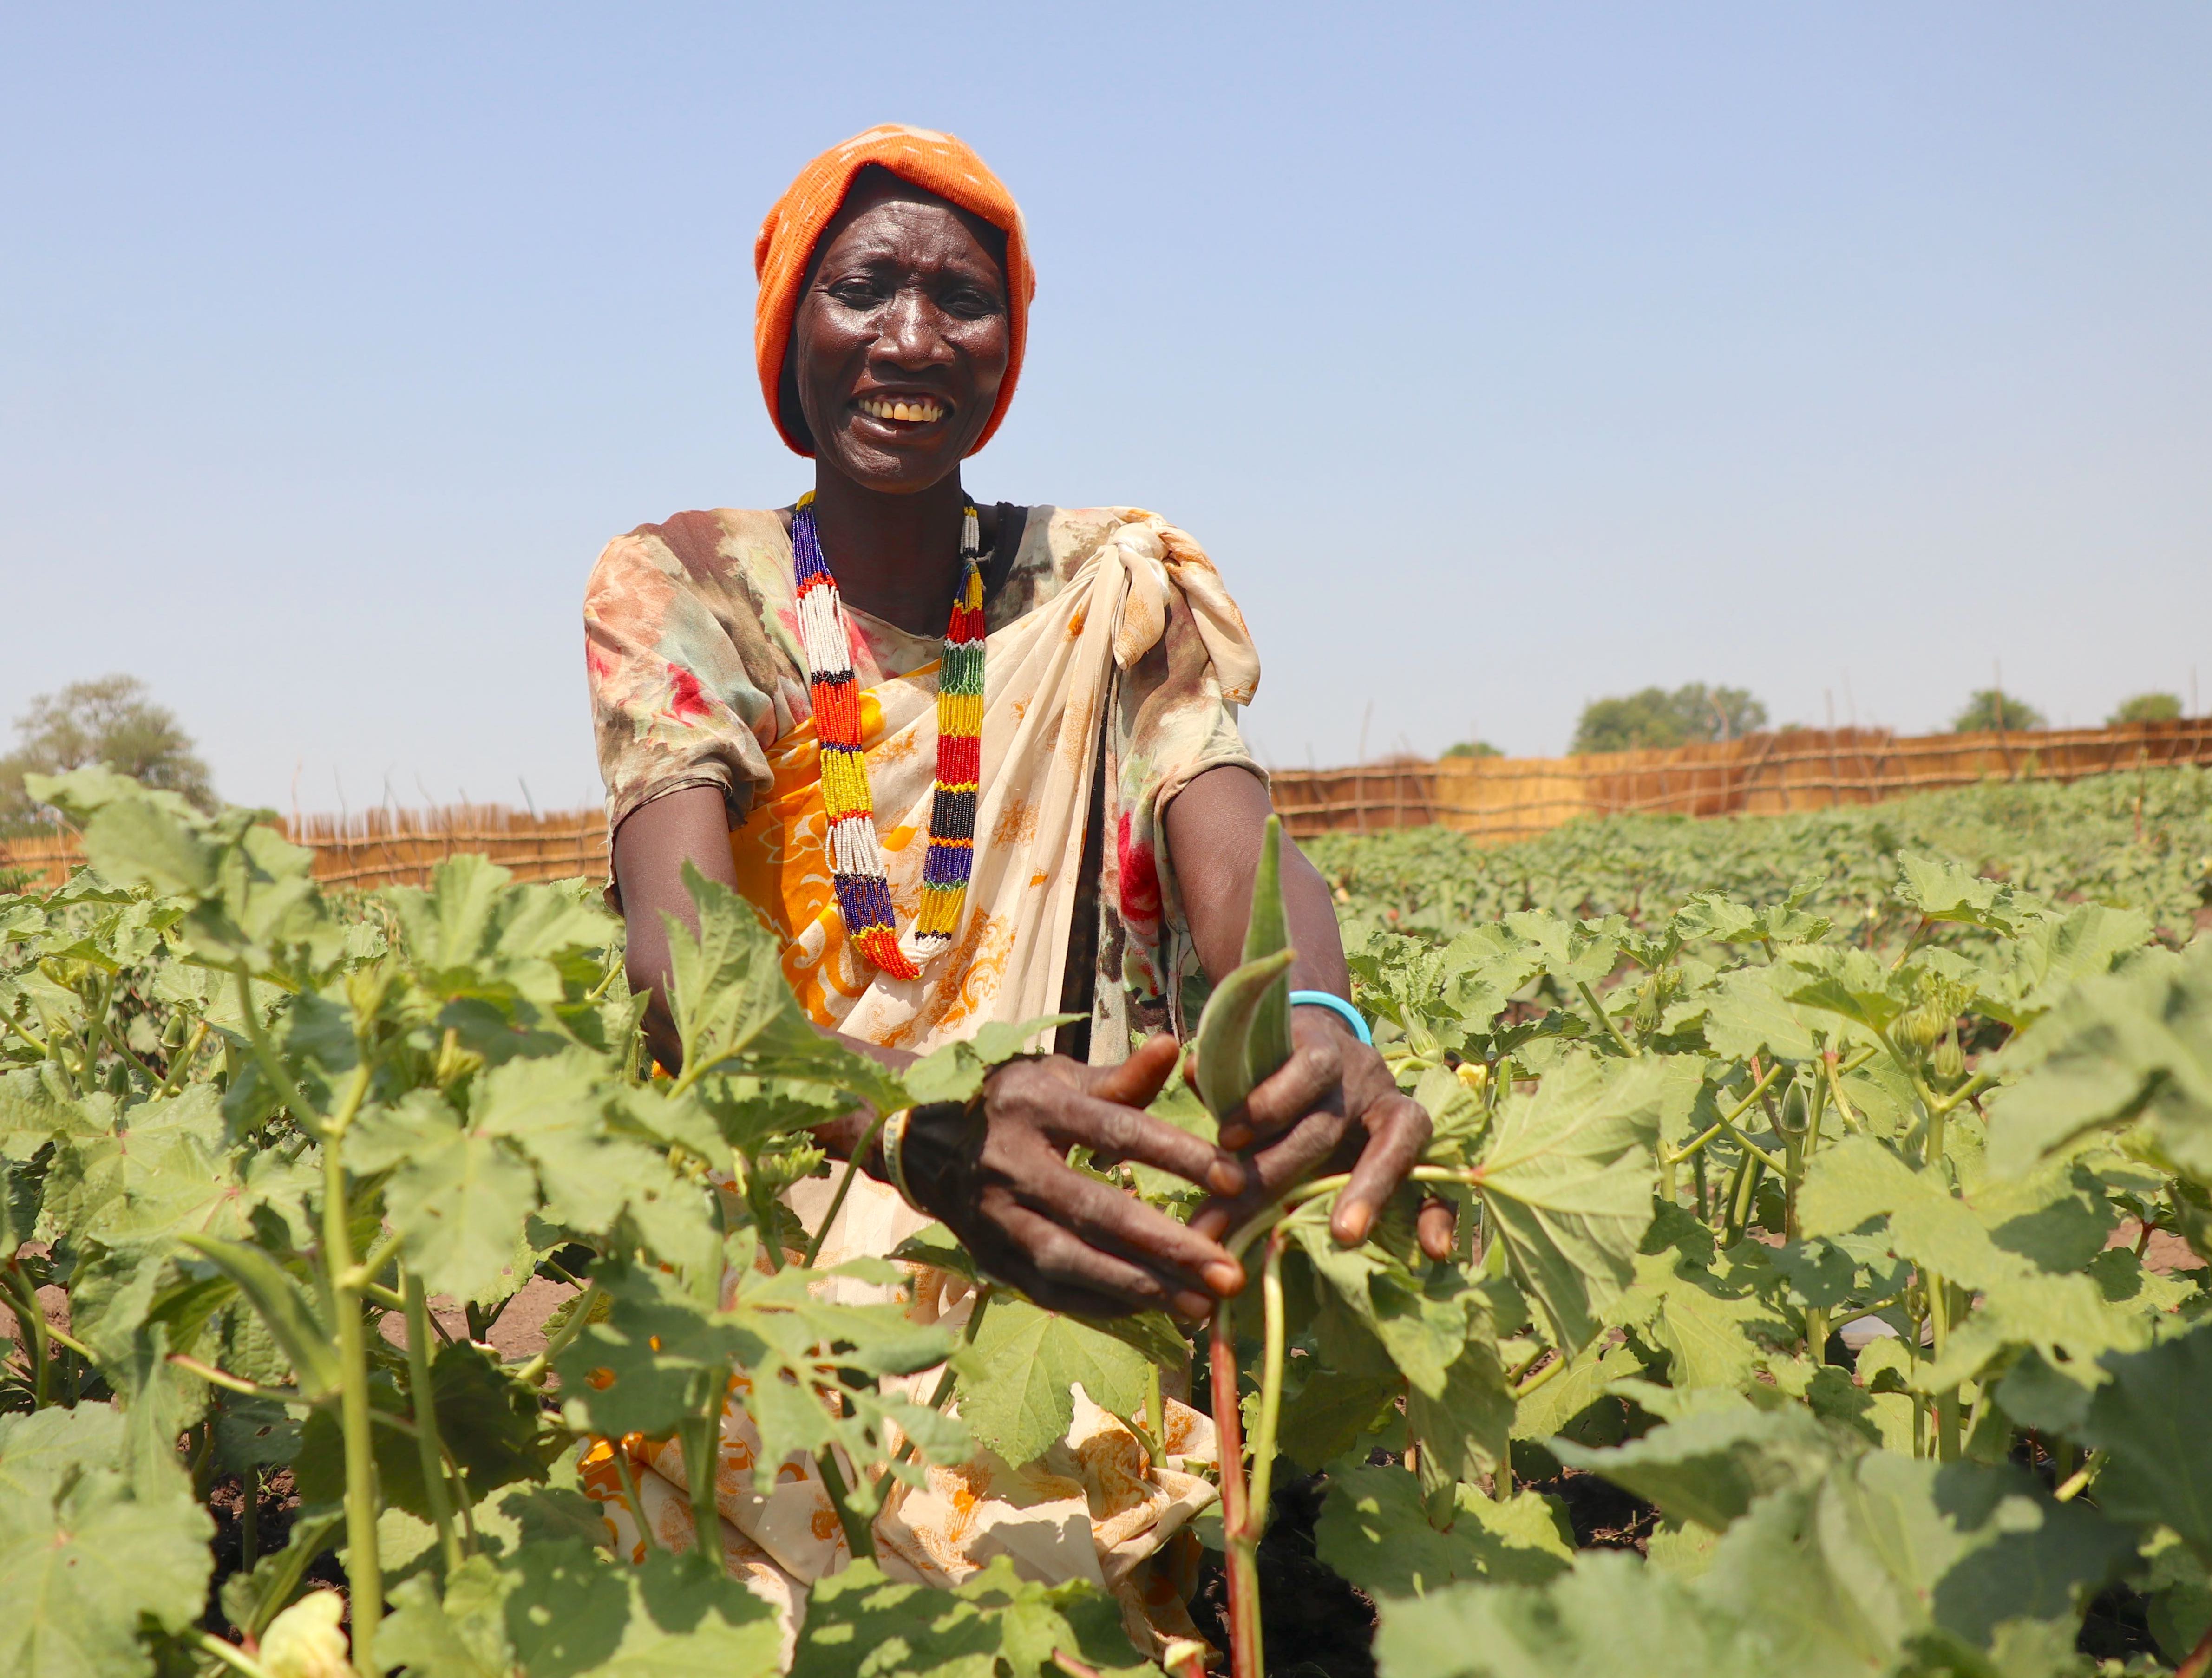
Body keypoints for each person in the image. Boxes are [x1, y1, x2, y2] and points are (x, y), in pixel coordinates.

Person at [581, 124, 1449, 1662]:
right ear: (792, 325)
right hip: (807, 1173)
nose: (911, 338)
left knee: (1067, 1595)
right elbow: (677, 956)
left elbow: (1234, 831)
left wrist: (1315, 1016)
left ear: (1011, 343)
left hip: (1071, 1173)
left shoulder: (1105, 577)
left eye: (960, 300)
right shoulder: (691, 584)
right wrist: (915, 1131)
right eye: (863, 289)